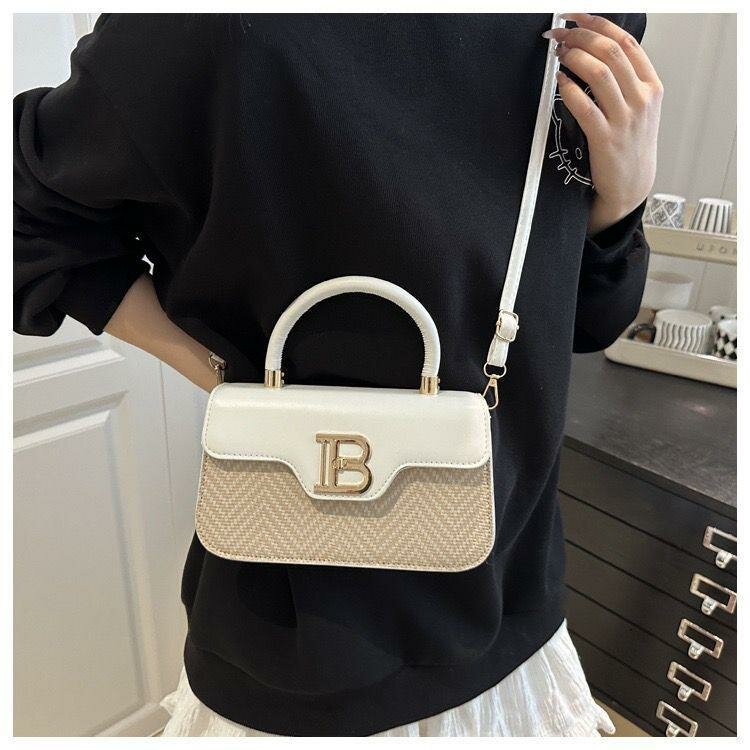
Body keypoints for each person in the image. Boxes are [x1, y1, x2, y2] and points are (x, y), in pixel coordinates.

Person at [13, 12, 662, 737]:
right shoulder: (206, 25)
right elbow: (28, 220)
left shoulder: (580, 27)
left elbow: (586, 322)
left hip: (514, 601)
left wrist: (622, 199)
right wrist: (226, 378)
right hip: (294, 649)